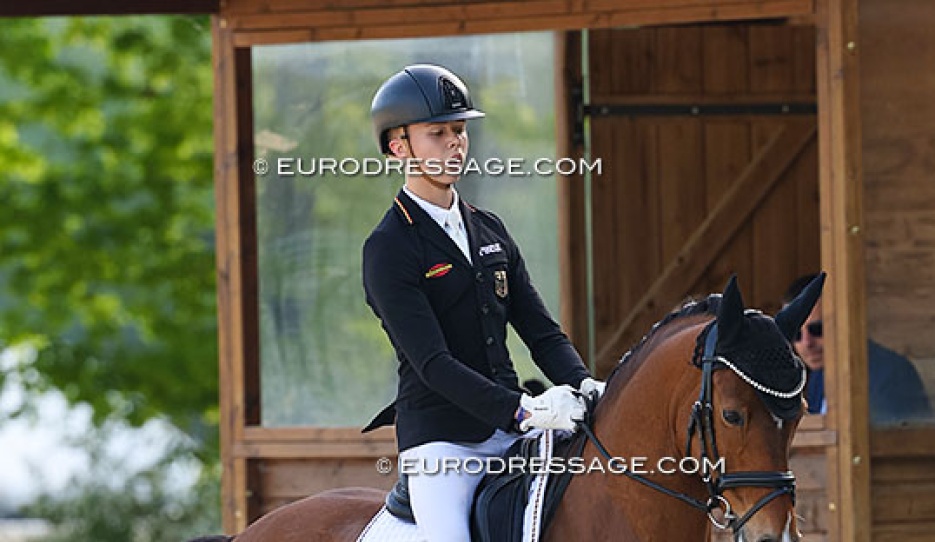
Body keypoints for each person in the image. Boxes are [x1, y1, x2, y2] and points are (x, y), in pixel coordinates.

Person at [361, 64, 605, 542]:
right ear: (398, 146)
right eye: (438, 133)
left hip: (512, 433)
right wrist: (524, 410)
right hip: (442, 443)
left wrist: (584, 384)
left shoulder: (490, 229)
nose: (455, 143)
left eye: (459, 131)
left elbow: (541, 331)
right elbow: (433, 363)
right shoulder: (389, 247)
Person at [784, 274, 932, 425]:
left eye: (817, 329)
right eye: (796, 334)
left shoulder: (890, 374)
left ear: (843, 322)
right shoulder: (818, 376)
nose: (807, 342)